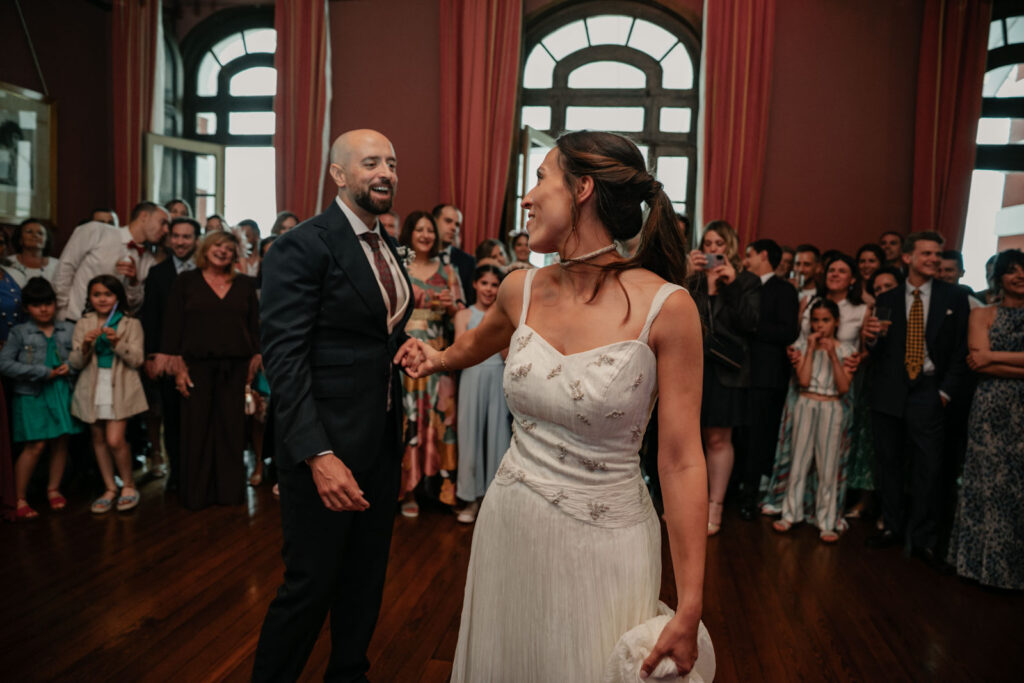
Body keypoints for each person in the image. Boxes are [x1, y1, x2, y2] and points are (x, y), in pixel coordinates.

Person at [400, 131, 714, 681]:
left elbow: (682, 460)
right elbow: (477, 344)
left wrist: (690, 606)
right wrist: (436, 357)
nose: (527, 195)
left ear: (583, 188)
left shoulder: (668, 308)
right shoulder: (520, 289)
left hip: (608, 542)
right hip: (511, 524)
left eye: (541, 176)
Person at [253, 129, 421, 682]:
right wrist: (318, 455)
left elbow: (372, 332)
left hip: (378, 441)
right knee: (311, 584)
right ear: (338, 175)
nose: (386, 173)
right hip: (324, 450)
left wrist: (405, 348)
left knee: (365, 578)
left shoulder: (383, 242)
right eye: (371, 162)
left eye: (392, 163)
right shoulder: (302, 245)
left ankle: (348, 673)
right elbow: (286, 359)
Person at [863, 232, 970, 563]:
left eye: (937, 254)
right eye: (926, 253)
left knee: (929, 467)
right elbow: (877, 349)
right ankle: (892, 527)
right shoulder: (889, 298)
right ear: (908, 258)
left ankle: (922, 537)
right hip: (889, 392)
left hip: (928, 391)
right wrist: (869, 339)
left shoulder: (954, 297)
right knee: (889, 463)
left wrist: (945, 392)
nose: (934, 259)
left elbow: (960, 350)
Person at [161, 231, 260, 511]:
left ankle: (230, 493)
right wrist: (178, 367)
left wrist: (255, 361)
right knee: (196, 431)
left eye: (229, 248)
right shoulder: (186, 282)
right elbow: (172, 329)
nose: (223, 251)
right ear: (205, 248)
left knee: (231, 431)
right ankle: (197, 494)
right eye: (218, 245)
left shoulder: (244, 285)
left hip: (236, 368)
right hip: (196, 368)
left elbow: (255, 328)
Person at [948, 249, 1024, 589]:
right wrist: (1004, 361)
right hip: (990, 407)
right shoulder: (981, 315)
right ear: (999, 278)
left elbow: (985, 358)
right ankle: (980, 566)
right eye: (1012, 271)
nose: (1019, 276)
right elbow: (976, 361)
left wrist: (993, 357)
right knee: (986, 484)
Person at [688, 220, 760, 535]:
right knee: (690, 439)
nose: (714, 249)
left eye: (719, 244)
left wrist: (728, 285)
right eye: (708, 244)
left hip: (727, 372)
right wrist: (690, 277)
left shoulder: (747, 281)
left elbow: (749, 323)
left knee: (718, 439)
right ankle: (690, 503)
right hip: (692, 370)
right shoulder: (693, 282)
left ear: (730, 246)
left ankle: (715, 505)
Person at [772, 299, 854, 542]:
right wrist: (809, 348)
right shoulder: (801, 346)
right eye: (816, 320)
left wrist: (831, 354)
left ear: (836, 322)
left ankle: (827, 521)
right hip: (806, 403)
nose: (820, 325)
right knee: (798, 461)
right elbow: (804, 381)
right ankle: (790, 514)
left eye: (825, 320)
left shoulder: (846, 350)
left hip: (832, 407)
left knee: (828, 467)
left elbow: (843, 387)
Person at [397, 210, 463, 514]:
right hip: (407, 355)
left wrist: (451, 308)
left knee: (441, 418)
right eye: (419, 230)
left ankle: (441, 489)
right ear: (409, 233)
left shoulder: (448, 271)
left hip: (437, 354)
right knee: (409, 421)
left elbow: (461, 313)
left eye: (430, 231)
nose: (426, 235)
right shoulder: (399, 267)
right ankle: (406, 490)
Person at [0, 278, 79, 519]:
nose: (43, 309)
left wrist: (70, 367)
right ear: (26, 308)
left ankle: (53, 489)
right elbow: (4, 364)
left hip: (61, 390)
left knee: (61, 441)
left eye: (48, 303)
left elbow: (81, 357)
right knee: (35, 445)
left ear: (55, 304)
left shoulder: (68, 328)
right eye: (36, 305)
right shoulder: (19, 332)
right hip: (32, 394)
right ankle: (20, 496)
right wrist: (41, 372)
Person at [69, 275, 148, 513]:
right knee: (99, 439)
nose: (102, 299)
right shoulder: (83, 323)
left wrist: (117, 344)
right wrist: (84, 346)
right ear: (90, 298)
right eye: (97, 294)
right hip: (91, 386)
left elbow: (137, 359)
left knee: (115, 439)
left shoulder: (130, 323)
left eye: (108, 294)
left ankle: (129, 485)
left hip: (121, 386)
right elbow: (75, 362)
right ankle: (109, 487)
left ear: (117, 297)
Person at [738, 239, 799, 520]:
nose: (745, 260)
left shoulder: (784, 290)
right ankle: (730, 490)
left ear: (763, 256)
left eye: (748, 255)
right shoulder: (740, 284)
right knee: (737, 434)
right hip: (738, 372)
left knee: (759, 437)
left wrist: (750, 326)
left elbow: (787, 331)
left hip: (766, 375)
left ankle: (751, 495)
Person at [140, 217, 199, 491]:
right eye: (176, 236)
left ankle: (200, 473)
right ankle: (177, 477)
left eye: (187, 237)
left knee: (199, 419)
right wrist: (152, 356)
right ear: (169, 239)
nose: (180, 242)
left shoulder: (207, 269)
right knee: (173, 419)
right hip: (168, 358)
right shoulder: (157, 274)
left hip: (201, 358)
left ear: (196, 239)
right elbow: (150, 319)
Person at [453, 265, 509, 523]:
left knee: (498, 435)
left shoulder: (504, 315)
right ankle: (470, 498)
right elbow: (461, 350)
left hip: (498, 374)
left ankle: (494, 500)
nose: (489, 289)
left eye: (494, 284)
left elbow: (506, 354)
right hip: (471, 376)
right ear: (474, 284)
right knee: (469, 435)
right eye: (484, 283)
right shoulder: (463, 315)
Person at [54, 200, 169, 321]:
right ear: (144, 216)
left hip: (113, 330)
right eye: (163, 222)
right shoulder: (95, 230)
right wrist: (61, 313)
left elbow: (133, 306)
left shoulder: (150, 261)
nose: (166, 230)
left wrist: (133, 282)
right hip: (75, 319)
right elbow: (65, 268)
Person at [433, 203, 476, 305]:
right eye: (448, 221)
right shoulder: (418, 255)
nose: (453, 228)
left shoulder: (468, 261)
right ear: (434, 221)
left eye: (457, 225)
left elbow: (470, 302)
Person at [3, 219, 57, 287]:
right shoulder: (6, 264)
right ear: (20, 239)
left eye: (40, 233)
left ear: (46, 240)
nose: (35, 235)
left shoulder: (57, 265)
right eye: (29, 232)